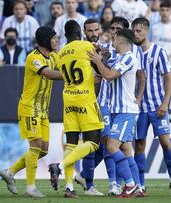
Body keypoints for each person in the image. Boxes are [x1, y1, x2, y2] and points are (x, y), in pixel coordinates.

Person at [0, 26, 62, 198]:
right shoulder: (33, 58)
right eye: (54, 38)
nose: (57, 41)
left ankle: (10, 172)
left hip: (42, 110)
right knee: (35, 147)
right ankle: (30, 187)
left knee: (44, 149)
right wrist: (71, 75)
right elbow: (49, 74)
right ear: (45, 41)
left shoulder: (54, 56)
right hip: (29, 108)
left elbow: (65, 62)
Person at [48, 20, 104, 198]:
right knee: (94, 142)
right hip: (85, 98)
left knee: (71, 144)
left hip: (69, 99)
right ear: (80, 32)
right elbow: (99, 68)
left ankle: (69, 188)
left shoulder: (62, 52)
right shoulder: (86, 46)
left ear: (65, 35)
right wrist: (104, 56)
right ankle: (60, 167)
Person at [88, 28, 143, 198]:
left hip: (126, 111)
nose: (112, 42)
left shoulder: (128, 58)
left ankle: (131, 184)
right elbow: (105, 65)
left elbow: (109, 75)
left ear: (120, 41)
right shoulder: (120, 58)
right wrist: (100, 55)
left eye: (114, 39)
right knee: (126, 150)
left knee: (111, 146)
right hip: (118, 111)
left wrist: (98, 61)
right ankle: (138, 187)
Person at [131, 17, 171, 197]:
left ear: (146, 31)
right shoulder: (132, 53)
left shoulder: (159, 51)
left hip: (157, 106)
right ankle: (141, 186)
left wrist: (165, 103)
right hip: (139, 109)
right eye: (134, 31)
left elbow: (168, 78)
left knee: (165, 142)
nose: (135, 34)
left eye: (138, 31)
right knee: (139, 145)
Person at [71, 18, 104, 197]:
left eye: (95, 30)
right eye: (89, 31)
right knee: (91, 143)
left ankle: (83, 177)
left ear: (99, 30)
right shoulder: (80, 49)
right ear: (84, 32)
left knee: (104, 147)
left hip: (103, 104)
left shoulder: (104, 50)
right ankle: (89, 185)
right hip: (85, 102)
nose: (93, 34)